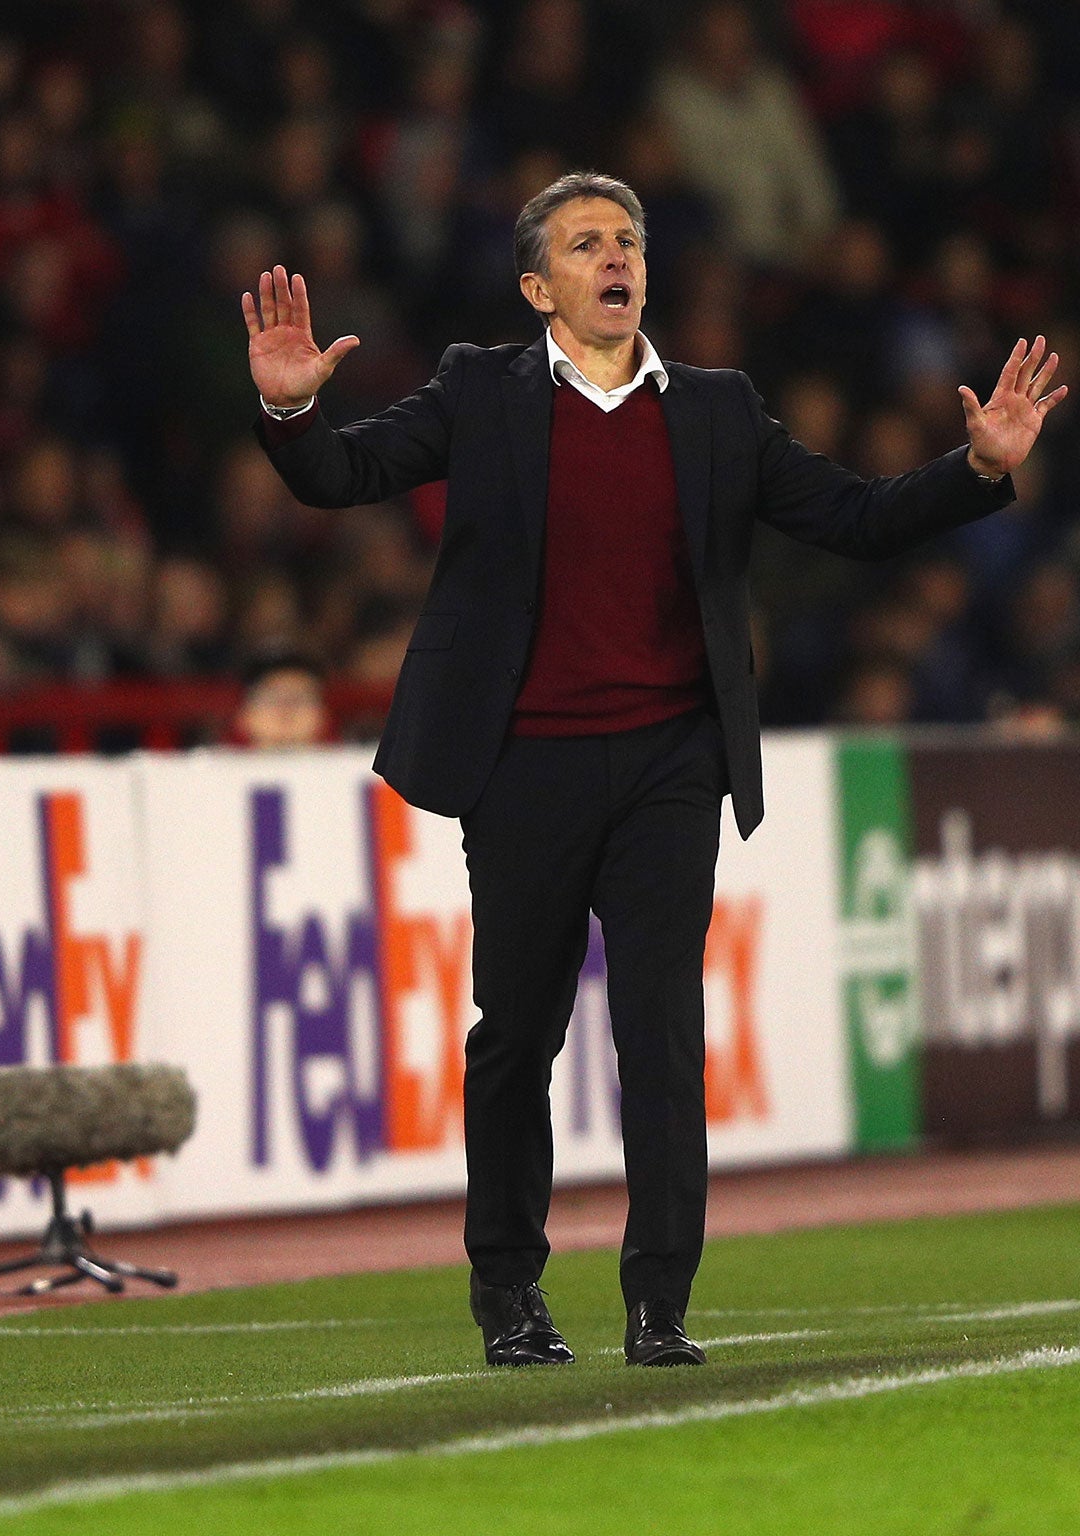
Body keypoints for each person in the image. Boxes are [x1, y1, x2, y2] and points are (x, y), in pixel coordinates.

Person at [245, 171, 1062, 1369]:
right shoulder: (480, 389)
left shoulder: (718, 410)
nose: (614, 257)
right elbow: (341, 475)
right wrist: (288, 415)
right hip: (523, 763)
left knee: (662, 1032)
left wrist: (976, 469)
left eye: (624, 239)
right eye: (583, 244)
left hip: (671, 761)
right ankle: (510, 1296)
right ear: (538, 287)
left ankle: (656, 1305)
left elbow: (852, 516)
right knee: (515, 1035)